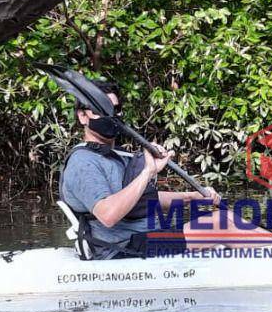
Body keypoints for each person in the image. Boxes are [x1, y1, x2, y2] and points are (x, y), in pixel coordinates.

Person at [59, 81, 241, 259]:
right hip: (122, 247)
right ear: (82, 116)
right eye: (100, 111)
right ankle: (270, 260)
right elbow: (108, 214)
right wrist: (147, 172)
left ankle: (269, 248)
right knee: (220, 224)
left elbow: (140, 201)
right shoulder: (83, 162)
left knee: (227, 216)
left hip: (146, 236)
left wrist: (193, 197)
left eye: (115, 110)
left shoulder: (116, 155)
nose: (111, 117)